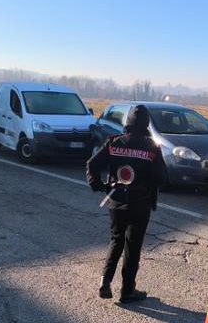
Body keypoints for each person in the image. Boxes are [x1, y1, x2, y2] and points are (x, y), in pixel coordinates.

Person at [86, 105, 166, 304]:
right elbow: (162, 177)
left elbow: (92, 165)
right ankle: (127, 291)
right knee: (133, 247)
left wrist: (99, 186)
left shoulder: (114, 143)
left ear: (127, 122)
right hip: (140, 204)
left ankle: (105, 281)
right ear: (146, 123)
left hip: (117, 201)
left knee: (116, 240)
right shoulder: (152, 148)